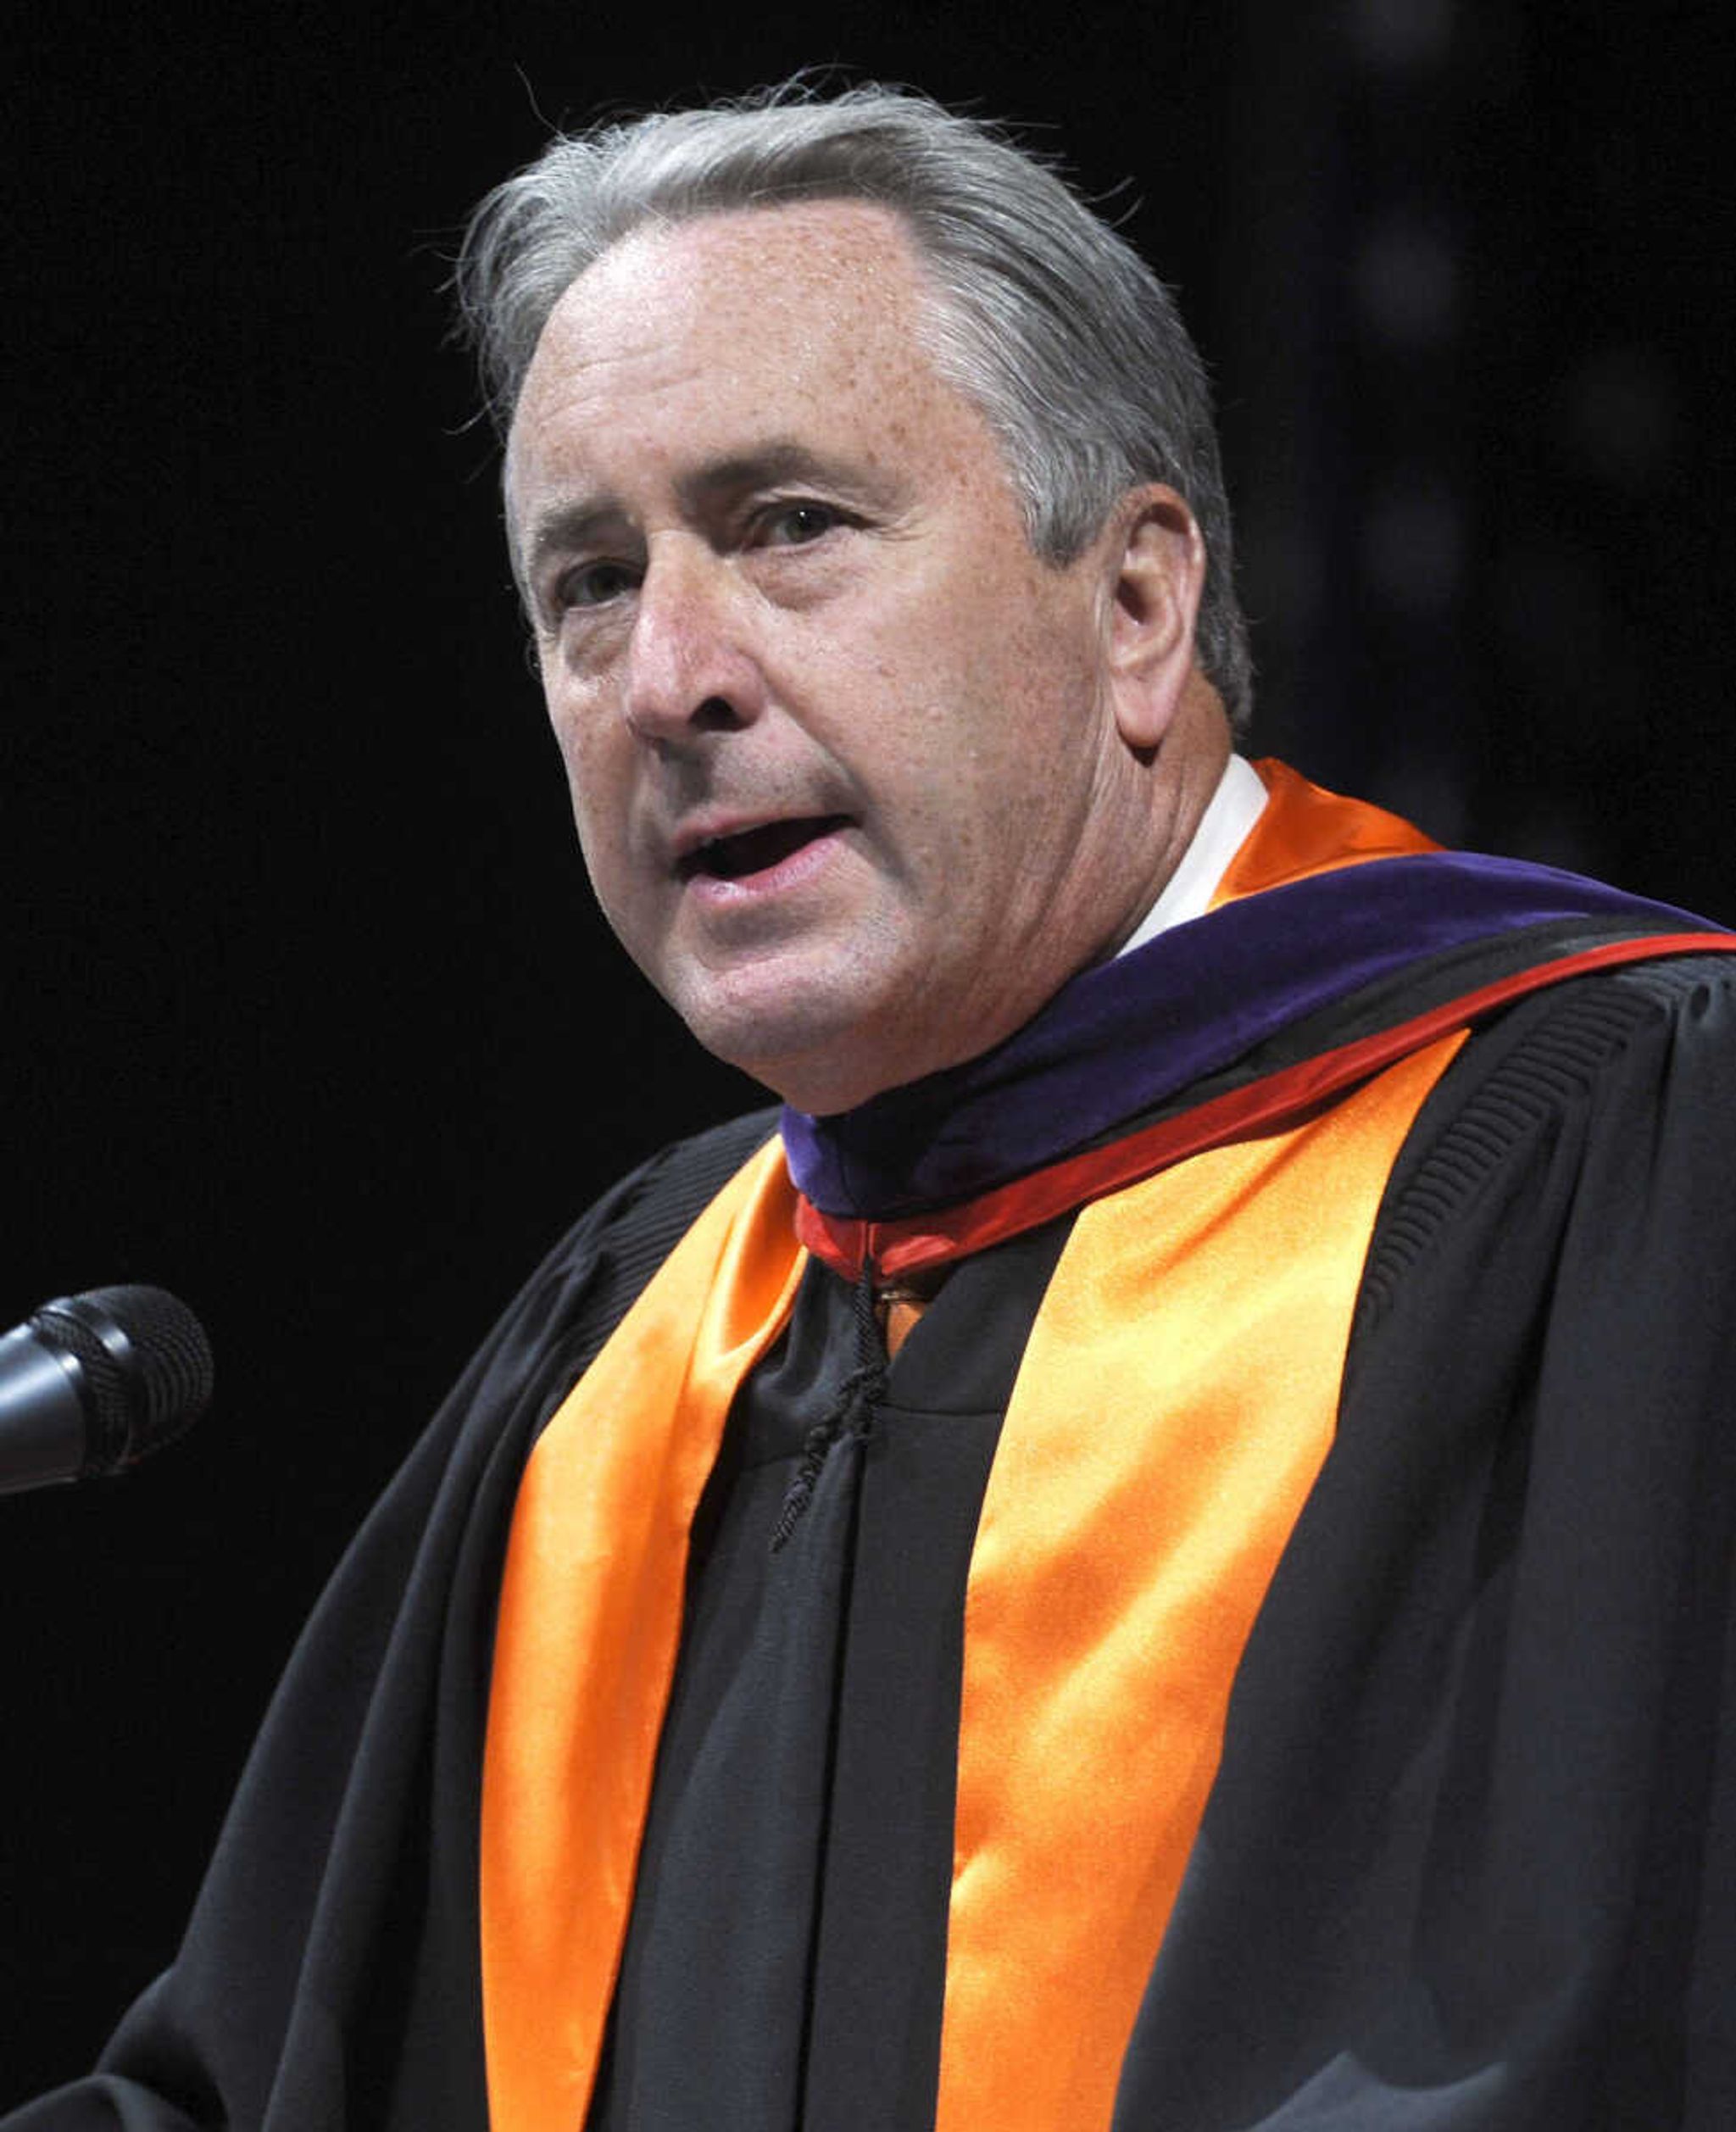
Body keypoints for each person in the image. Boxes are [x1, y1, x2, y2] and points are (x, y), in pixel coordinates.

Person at [8, 80, 1736, 2132]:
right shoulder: (638, 1335)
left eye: (787, 526)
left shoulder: (1612, 1159)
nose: (668, 675)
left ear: (1134, 609)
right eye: (583, 580)